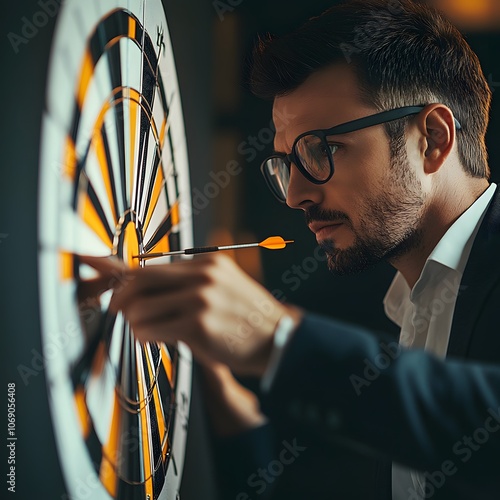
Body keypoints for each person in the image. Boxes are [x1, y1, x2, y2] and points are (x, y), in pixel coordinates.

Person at [88, 0, 500, 498]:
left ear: (431, 139)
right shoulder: (404, 303)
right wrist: (228, 402)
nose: (294, 196)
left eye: (322, 150)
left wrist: (275, 340)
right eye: (287, 162)